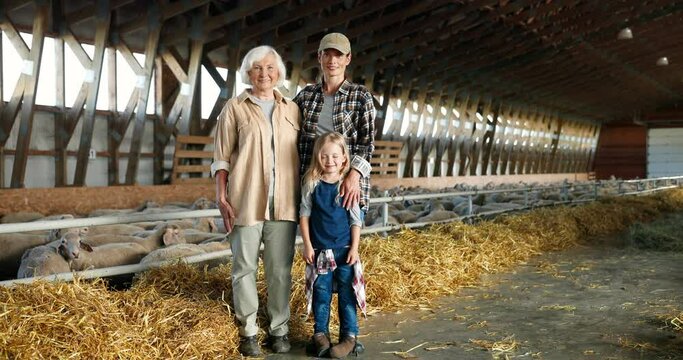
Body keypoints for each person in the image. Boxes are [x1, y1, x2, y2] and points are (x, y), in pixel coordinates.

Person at [211, 45, 301, 357]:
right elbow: (221, 158)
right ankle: (248, 329)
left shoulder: (292, 109)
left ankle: (279, 329)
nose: (264, 74)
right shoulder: (234, 109)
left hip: (284, 202)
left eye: (270, 68)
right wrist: (221, 196)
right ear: (248, 73)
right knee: (244, 267)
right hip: (245, 200)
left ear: (279, 74)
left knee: (280, 270)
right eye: (257, 68)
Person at [300, 132, 366, 358]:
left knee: (347, 294)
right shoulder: (311, 183)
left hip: (345, 250)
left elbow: (356, 219)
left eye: (335, 156)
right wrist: (307, 244)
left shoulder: (346, 185)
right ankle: (321, 334)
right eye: (325, 156)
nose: (330, 161)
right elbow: (305, 214)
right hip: (320, 251)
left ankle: (349, 336)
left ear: (344, 158)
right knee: (322, 292)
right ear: (318, 157)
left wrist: (355, 248)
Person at [294, 32, 375, 215]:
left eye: (338, 55)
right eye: (327, 54)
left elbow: (367, 144)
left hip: (347, 187)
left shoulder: (360, 96)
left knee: (344, 241)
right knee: (315, 242)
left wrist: (354, 176)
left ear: (348, 58)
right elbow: (285, 127)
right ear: (319, 57)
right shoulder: (306, 96)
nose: (332, 60)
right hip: (313, 187)